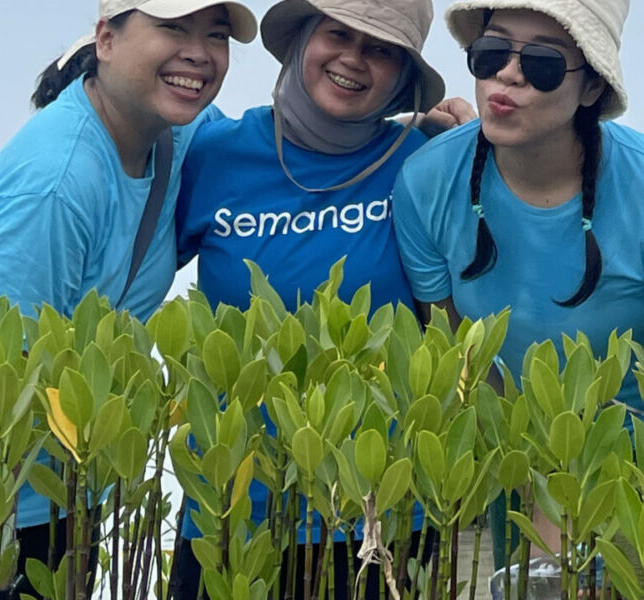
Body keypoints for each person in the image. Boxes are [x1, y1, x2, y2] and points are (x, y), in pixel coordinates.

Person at [0, 0, 256, 596]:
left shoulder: (180, 127)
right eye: (172, 27)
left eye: (216, 34)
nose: (199, 51)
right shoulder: (54, 183)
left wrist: (424, 128)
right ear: (106, 40)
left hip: (63, 483)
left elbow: (279, 148)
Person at [390, 0, 644, 594]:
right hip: (518, 461)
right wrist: (535, 479)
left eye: (543, 64)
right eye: (492, 54)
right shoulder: (426, 182)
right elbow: (458, 352)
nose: (508, 76)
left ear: (592, 86)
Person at [166, 0, 465, 597]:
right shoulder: (213, 153)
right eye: (338, 34)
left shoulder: (425, 164)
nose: (353, 59)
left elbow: (458, 330)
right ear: (303, 38)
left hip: (379, 514)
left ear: (405, 75)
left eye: (381, 48)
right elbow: (123, 252)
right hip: (230, 507)